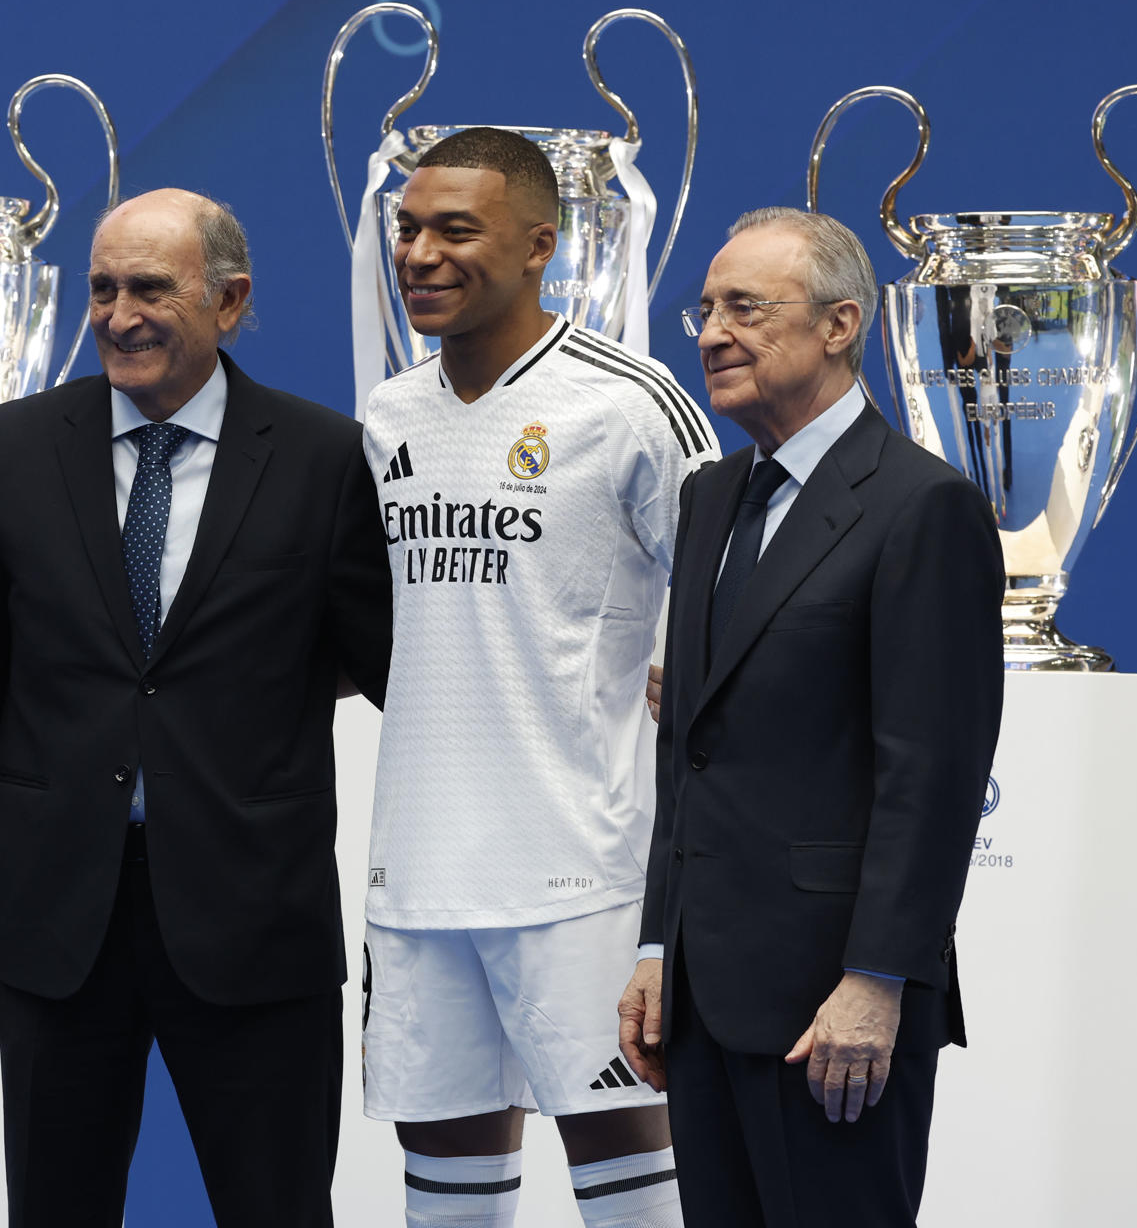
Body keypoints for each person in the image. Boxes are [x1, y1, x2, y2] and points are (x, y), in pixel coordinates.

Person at [0, 187, 392, 1227]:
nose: (118, 316)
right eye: (102, 289)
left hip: (256, 917)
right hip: (55, 921)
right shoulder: (4, 449)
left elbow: (393, 666)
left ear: (230, 300)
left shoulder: (323, 458)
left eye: (149, 289)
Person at [618, 208, 1003, 1227]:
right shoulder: (710, 496)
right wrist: (658, 946)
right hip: (704, 1000)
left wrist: (876, 978)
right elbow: (688, 749)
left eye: (746, 308)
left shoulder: (923, 505)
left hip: (834, 1010)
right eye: (705, 310)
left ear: (840, 325)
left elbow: (933, 776)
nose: (712, 334)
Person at [359, 127, 715, 1228]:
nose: (421, 253)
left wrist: (693, 676)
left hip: (580, 874)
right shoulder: (386, 414)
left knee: (634, 1191)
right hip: (418, 878)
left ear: (539, 246)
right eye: (409, 229)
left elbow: (737, 581)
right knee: (447, 1198)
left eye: (456, 229)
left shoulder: (629, 401)